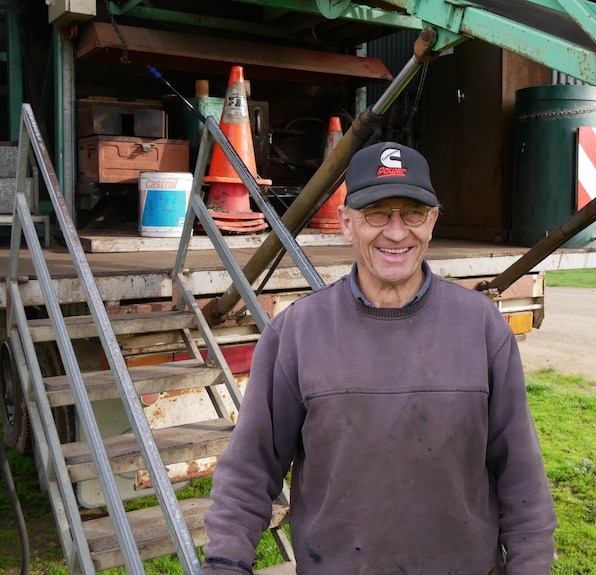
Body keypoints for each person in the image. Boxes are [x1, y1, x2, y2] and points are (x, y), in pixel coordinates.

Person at [202, 141, 557, 575]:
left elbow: (520, 475)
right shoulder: (297, 332)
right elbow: (249, 470)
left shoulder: (482, 328)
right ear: (346, 224)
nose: (395, 232)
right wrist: (225, 563)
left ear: (432, 222)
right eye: (376, 213)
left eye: (412, 212)